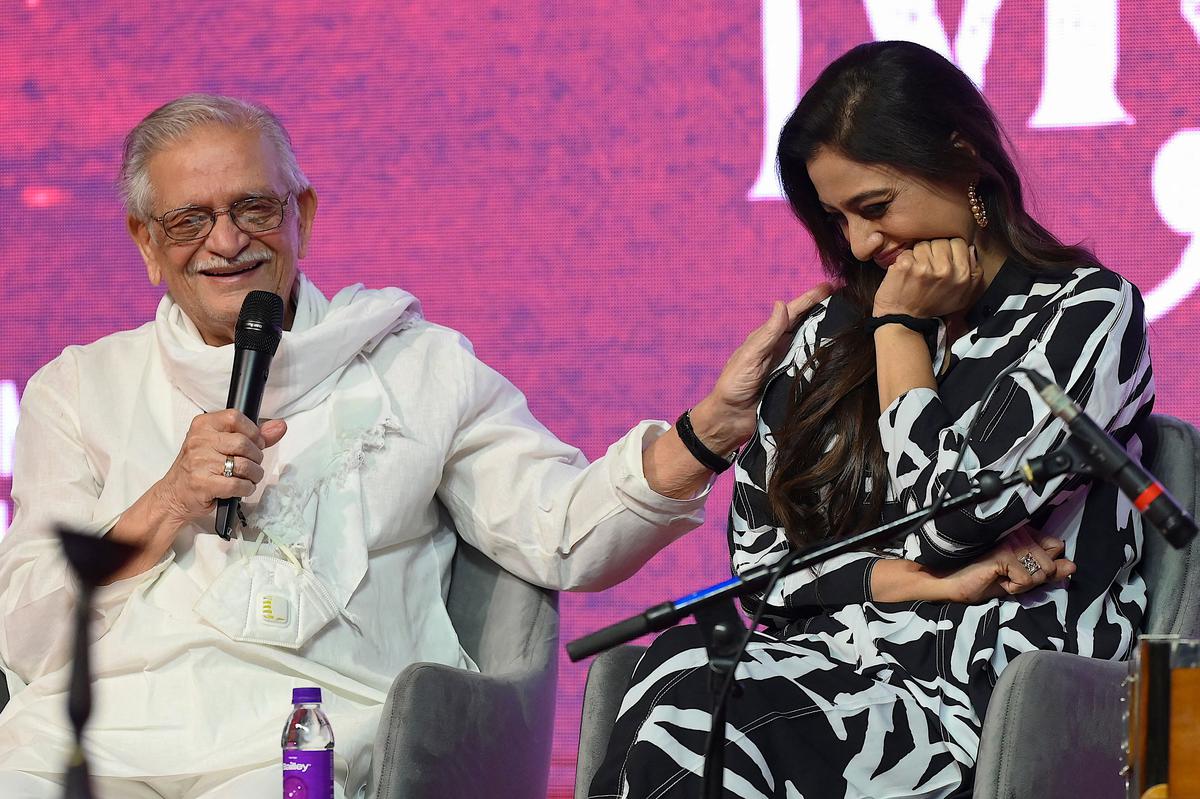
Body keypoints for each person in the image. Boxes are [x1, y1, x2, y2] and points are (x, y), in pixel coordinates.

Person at [0, 94, 829, 798]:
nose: (227, 242)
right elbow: (26, 630)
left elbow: (565, 529)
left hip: (311, 735)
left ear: (304, 216)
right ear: (147, 243)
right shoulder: (78, 390)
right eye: (190, 220)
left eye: (255, 209)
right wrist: (169, 498)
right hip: (102, 732)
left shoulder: (414, 364)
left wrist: (712, 427)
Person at [588, 40, 1153, 799]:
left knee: (710, 714)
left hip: (978, 705)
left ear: (962, 158)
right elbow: (761, 568)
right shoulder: (831, 333)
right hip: (823, 665)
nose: (857, 243)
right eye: (836, 218)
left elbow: (954, 518)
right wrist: (922, 583)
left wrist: (901, 335)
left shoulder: (1085, 312)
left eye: (875, 208)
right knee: (688, 668)